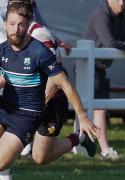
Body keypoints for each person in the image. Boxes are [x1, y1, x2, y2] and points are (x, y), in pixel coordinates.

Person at [0, 0, 101, 177]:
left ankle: (78, 138)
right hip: (21, 104)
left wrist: (81, 116)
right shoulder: (9, 37)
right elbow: (10, 73)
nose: (16, 8)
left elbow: (57, 81)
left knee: (40, 157)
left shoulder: (39, 38)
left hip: (51, 100)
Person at [82, 0, 125, 160]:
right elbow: (110, 43)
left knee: (93, 108)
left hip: (98, 68)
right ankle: (105, 151)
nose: (122, 3)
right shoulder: (102, 14)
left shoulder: (120, 16)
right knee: (97, 108)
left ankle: (81, 146)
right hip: (87, 67)